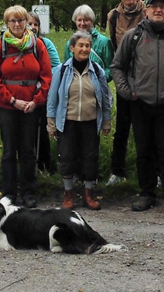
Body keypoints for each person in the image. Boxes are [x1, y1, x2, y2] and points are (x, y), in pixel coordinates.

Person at [110, 0, 164, 220]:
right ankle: (147, 194)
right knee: (144, 152)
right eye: (154, 7)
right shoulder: (134, 35)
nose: (158, 10)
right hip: (140, 104)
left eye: (162, 7)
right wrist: (128, 92)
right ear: (146, 11)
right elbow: (117, 67)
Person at [0, 5, 52, 208]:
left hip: (31, 107)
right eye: (12, 21)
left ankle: (29, 192)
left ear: (27, 22)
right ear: (7, 24)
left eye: (20, 20)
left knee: (28, 150)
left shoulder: (37, 45)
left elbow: (46, 76)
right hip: (6, 107)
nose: (17, 24)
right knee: (9, 150)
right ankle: (9, 193)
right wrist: (13, 100)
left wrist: (36, 101)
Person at [47, 31, 112, 210]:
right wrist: (51, 124)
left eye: (87, 46)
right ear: (72, 47)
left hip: (91, 122)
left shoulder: (97, 71)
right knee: (67, 157)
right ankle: (68, 195)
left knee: (90, 158)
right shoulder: (61, 70)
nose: (84, 49)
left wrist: (106, 121)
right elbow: (52, 99)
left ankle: (88, 194)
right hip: (67, 123)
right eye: (80, 45)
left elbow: (105, 99)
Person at [106, 0, 146, 186]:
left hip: (147, 78)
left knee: (147, 128)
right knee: (122, 127)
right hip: (124, 77)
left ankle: (149, 173)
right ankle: (117, 171)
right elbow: (113, 46)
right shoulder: (113, 16)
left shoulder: (148, 12)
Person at [27, 11, 60, 174]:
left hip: (42, 92)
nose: (33, 27)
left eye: (36, 24)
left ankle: (45, 165)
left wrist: (42, 80)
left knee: (42, 130)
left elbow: (56, 66)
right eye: (30, 24)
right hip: (23, 95)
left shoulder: (46, 44)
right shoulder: (15, 43)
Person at [64, 4, 114, 81]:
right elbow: (66, 68)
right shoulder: (70, 43)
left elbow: (110, 69)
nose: (82, 23)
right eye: (79, 20)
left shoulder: (104, 42)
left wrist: (97, 80)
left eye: (86, 20)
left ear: (92, 21)